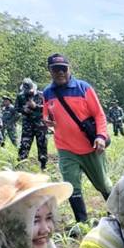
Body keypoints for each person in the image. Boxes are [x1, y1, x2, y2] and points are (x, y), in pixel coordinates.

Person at [42, 54, 112, 225]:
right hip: (65, 148)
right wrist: (46, 121)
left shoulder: (84, 88)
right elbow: (46, 114)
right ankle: (82, 223)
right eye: (55, 69)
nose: (60, 73)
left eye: (63, 69)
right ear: (50, 71)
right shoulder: (47, 92)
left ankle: (117, 214)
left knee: (103, 184)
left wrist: (101, 136)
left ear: (69, 69)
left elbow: (99, 114)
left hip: (91, 146)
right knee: (71, 185)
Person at [16, 80, 47, 167]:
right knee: (25, 143)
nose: (29, 93)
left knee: (42, 143)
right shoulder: (20, 96)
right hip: (27, 124)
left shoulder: (41, 95)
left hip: (40, 123)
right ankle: (21, 164)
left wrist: (36, 106)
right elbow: (17, 108)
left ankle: (43, 165)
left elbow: (48, 108)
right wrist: (23, 110)